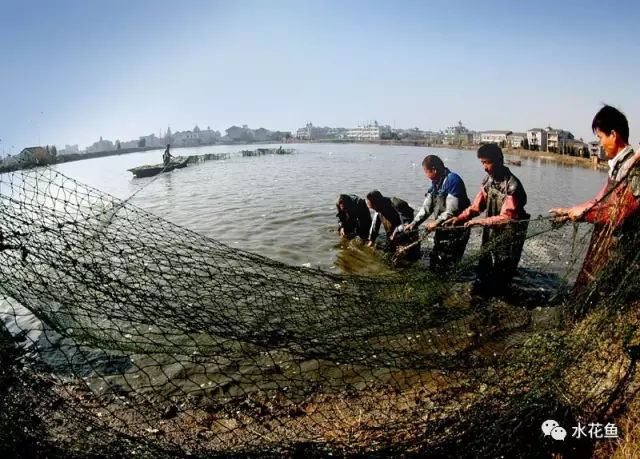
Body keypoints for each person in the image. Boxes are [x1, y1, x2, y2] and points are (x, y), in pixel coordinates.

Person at [549, 105, 639, 295]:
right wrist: (569, 211)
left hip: (620, 248)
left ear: (613, 134)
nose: (600, 144)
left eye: (600, 138)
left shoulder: (633, 168)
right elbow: (600, 200)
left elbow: (620, 213)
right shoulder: (618, 166)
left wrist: (583, 215)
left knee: (603, 293)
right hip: (605, 242)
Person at [445, 144, 529, 294]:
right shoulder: (487, 181)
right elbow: (477, 207)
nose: (485, 167)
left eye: (488, 162)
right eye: (482, 163)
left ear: (499, 161)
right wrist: (460, 218)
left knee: (501, 276)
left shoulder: (512, 186)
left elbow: (506, 218)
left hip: (510, 236)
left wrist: (478, 222)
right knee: (484, 271)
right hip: (490, 233)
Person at [403, 155, 471, 270]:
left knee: (449, 263)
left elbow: (451, 211)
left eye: (426, 172)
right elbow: (426, 208)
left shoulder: (453, 180)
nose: (426, 175)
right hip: (442, 227)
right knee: (435, 259)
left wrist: (436, 222)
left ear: (434, 170)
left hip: (457, 229)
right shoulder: (435, 183)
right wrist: (414, 223)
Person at [366, 190, 420, 259]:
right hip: (393, 238)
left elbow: (407, 224)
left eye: (373, 207)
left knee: (410, 259)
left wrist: (395, 233)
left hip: (408, 237)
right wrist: (371, 240)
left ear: (378, 202)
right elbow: (374, 226)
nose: (374, 210)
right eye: (372, 208)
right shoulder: (378, 209)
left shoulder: (398, 204)